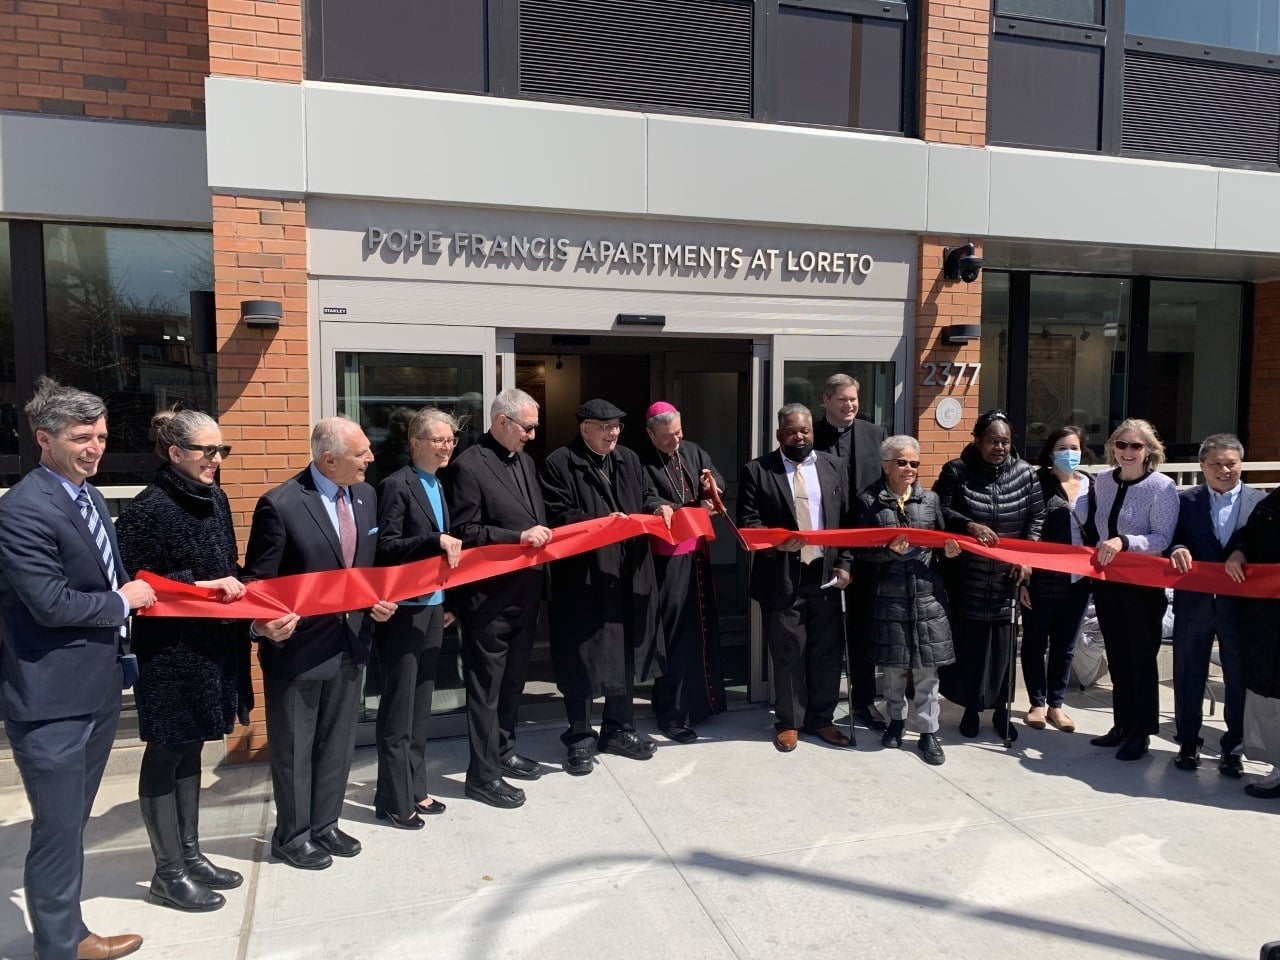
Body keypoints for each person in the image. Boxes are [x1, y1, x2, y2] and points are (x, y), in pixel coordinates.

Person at [0, 377, 155, 960]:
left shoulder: (86, 497)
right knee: (58, 830)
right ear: (44, 439)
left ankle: (66, 932)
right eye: (81, 437)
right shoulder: (22, 510)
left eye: (102, 437)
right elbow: (52, 602)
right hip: (50, 703)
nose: (96, 448)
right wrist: (124, 602)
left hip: (95, 689)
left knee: (70, 826)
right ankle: (61, 945)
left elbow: (108, 579)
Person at [243, 415, 398, 869]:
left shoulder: (366, 496)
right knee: (295, 749)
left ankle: (325, 824)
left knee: (338, 741)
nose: (371, 459)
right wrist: (261, 624)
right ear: (329, 459)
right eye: (361, 453)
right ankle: (292, 835)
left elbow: (368, 570)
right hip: (298, 650)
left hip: (352, 641)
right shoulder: (282, 504)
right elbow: (258, 580)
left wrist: (379, 601)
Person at [116, 410, 249, 912]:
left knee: (193, 747)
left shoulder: (215, 498)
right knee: (167, 750)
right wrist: (200, 586)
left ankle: (190, 855)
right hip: (169, 654)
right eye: (207, 451)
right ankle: (166, 872)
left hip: (209, 649)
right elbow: (137, 583)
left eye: (222, 451)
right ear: (175, 453)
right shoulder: (148, 509)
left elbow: (226, 568)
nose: (216, 460)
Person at [540, 399, 672, 775]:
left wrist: (660, 505)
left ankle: (618, 729)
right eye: (606, 427)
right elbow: (558, 515)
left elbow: (646, 496)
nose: (613, 433)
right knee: (581, 658)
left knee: (625, 653)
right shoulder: (559, 463)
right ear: (585, 430)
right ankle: (580, 737)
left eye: (617, 426)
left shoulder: (628, 458)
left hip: (626, 574)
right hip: (584, 579)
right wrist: (603, 524)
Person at [448, 389, 553, 806]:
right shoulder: (468, 467)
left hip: (526, 593)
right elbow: (466, 531)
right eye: (527, 427)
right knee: (486, 690)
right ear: (502, 422)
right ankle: (482, 774)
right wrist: (517, 537)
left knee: (513, 684)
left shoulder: (524, 461)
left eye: (534, 428)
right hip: (488, 600)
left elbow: (536, 517)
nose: (531, 435)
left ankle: (505, 751)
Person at [738, 403, 853, 752]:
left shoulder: (833, 466)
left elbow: (847, 522)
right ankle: (789, 721)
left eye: (804, 430)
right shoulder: (758, 470)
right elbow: (748, 522)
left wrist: (845, 563)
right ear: (779, 435)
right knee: (788, 652)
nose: (799, 436)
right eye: (791, 431)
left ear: (812, 432)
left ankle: (821, 719)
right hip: (782, 576)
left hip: (825, 575)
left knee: (826, 653)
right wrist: (777, 543)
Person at [372, 408, 463, 827]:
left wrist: (445, 601)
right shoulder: (396, 485)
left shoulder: (437, 484)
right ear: (416, 443)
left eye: (451, 440)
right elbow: (386, 546)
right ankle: (393, 799)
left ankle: (417, 788)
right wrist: (434, 539)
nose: (447, 446)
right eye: (440, 440)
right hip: (404, 613)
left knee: (421, 707)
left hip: (432, 608)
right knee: (399, 710)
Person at [934, 409, 1044, 742]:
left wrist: (1027, 559)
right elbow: (940, 509)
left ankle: (1001, 711)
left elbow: (1037, 518)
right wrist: (968, 524)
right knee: (972, 648)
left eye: (1005, 442)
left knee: (1003, 651)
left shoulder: (1026, 474)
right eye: (993, 441)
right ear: (978, 441)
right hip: (968, 574)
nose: (999, 447)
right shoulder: (957, 470)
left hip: (1006, 579)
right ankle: (970, 708)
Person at [855, 435, 961, 765]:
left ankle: (929, 732)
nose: (909, 469)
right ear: (886, 465)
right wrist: (886, 553)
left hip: (927, 597)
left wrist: (950, 552)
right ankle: (895, 723)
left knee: (928, 673)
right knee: (895, 669)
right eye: (902, 462)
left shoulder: (930, 501)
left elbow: (942, 543)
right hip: (889, 599)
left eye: (914, 463)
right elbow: (859, 551)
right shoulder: (868, 501)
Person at [1168, 433, 1263, 776]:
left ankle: (1233, 748)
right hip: (1193, 603)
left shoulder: (1259, 501)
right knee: (1188, 674)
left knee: (1237, 679)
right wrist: (1176, 548)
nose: (1224, 470)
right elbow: (1170, 536)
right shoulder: (1185, 500)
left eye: (1231, 464)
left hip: (1239, 608)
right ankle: (1188, 742)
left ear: (1241, 464)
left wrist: (1244, 551)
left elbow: (1262, 544)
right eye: (1216, 464)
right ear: (1203, 466)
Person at [1088, 418, 1179, 761]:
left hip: (1142, 586)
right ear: (1113, 447)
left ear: (1149, 451)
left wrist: (1124, 541)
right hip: (1108, 582)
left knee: (1141, 658)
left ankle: (1141, 732)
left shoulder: (1161, 487)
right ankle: (1121, 725)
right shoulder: (1103, 481)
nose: (1128, 451)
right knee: (1117, 655)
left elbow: (1162, 538)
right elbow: (1097, 528)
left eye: (1136, 446)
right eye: (1122, 444)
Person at [639, 401, 728, 743]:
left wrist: (712, 487)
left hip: (699, 556)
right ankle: (672, 714)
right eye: (666, 438)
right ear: (650, 435)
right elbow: (644, 497)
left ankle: (703, 705)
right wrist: (667, 507)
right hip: (669, 561)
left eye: (677, 433)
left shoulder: (693, 450)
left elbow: (715, 480)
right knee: (676, 636)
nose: (675, 441)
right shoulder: (642, 461)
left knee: (702, 630)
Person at [813, 373, 889, 733]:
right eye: (842, 399)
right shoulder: (809, 435)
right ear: (826, 400)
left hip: (865, 548)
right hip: (822, 548)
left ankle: (863, 702)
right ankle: (817, 704)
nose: (850, 405)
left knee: (862, 631)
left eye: (854, 399)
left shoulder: (875, 435)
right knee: (824, 632)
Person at [1019, 425, 1094, 733]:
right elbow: (1025, 529)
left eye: (1074, 448)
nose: (1069, 454)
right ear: (1051, 452)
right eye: (1062, 448)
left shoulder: (1092, 485)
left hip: (1080, 578)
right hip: (1042, 579)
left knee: (1065, 646)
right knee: (1036, 642)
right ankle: (1037, 703)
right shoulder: (1037, 483)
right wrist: (1023, 576)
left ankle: (1057, 705)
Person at [1225, 489, 1280, 799]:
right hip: (1266, 619)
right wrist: (1239, 551)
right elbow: (1249, 535)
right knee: (1267, 694)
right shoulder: (1272, 502)